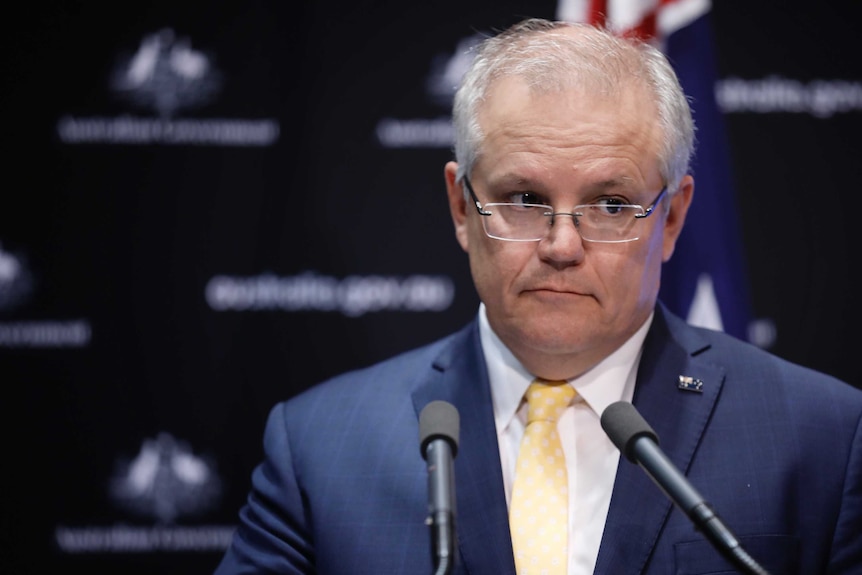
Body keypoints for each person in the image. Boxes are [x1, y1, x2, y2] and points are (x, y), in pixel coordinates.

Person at [214, 18, 862, 575]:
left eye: (610, 204)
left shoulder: (821, 437)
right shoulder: (320, 447)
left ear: (671, 220)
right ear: (461, 208)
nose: (561, 244)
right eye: (525, 200)